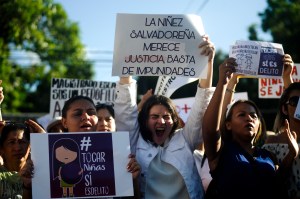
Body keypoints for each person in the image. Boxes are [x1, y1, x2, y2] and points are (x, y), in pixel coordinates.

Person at [114, 35, 215, 199]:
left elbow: (202, 103)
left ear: (174, 120)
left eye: (166, 117)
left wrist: (207, 62)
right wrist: (126, 59)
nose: (161, 121)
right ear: (145, 120)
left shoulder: (185, 138)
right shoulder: (134, 141)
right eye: (154, 116)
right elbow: (125, 110)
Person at [202, 57, 299, 199]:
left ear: (259, 124)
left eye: (254, 116)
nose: (249, 118)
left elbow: (277, 183)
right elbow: (210, 129)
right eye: (242, 115)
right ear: (227, 124)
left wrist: (292, 154)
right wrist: (222, 83)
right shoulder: (221, 152)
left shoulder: (268, 156)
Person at [61, 95, 140, 198]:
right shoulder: (51, 155)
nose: (86, 117)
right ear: (64, 122)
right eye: (77, 113)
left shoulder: (118, 155)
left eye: (91, 113)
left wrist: (132, 181)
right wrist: (32, 186)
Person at [262, 53, 300, 199]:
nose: (298, 106)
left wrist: (287, 76)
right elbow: (270, 184)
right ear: (284, 109)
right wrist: (291, 154)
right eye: (294, 101)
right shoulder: (272, 144)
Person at [0, 119, 45, 199]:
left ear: (30, 146)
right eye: (11, 142)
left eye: (22, 142)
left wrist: (44, 139)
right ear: (2, 148)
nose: (17, 148)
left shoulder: (40, 174)